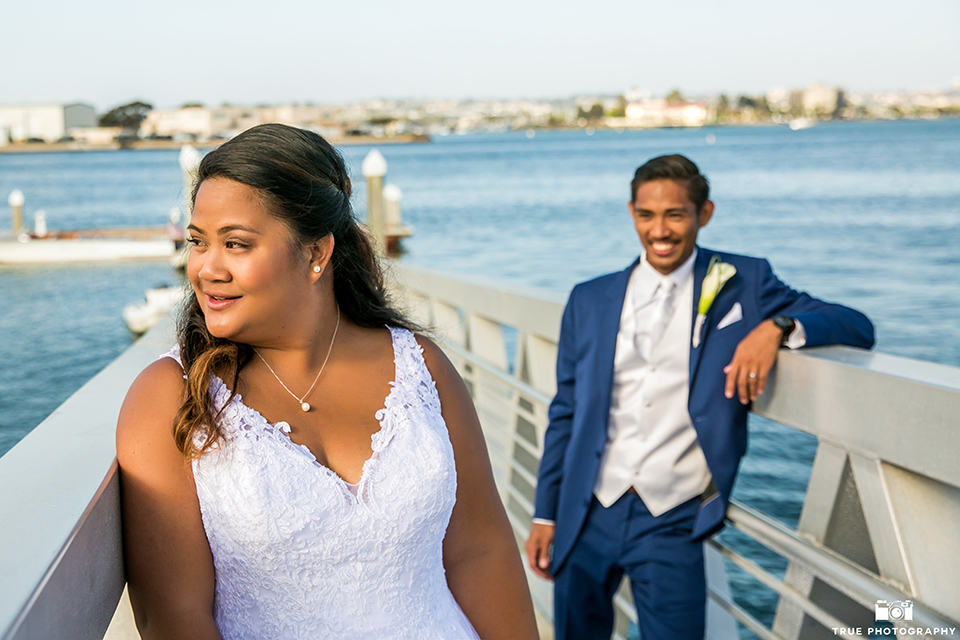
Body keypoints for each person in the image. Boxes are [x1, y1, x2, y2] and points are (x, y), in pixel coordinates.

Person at [117, 123, 538, 640]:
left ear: (316, 253)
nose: (206, 268)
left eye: (236, 244)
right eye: (198, 242)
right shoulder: (172, 396)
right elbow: (174, 617)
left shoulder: (420, 366)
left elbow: (481, 551)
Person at [525, 154, 875, 640]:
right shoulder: (589, 298)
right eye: (647, 215)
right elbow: (564, 413)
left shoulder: (744, 282)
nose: (660, 230)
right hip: (587, 511)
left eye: (675, 214)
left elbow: (857, 325)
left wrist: (778, 326)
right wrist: (546, 513)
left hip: (673, 518)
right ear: (632, 213)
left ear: (703, 213)